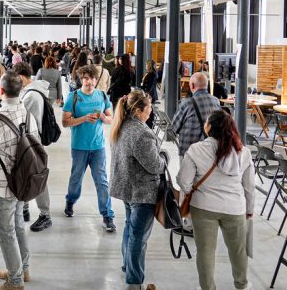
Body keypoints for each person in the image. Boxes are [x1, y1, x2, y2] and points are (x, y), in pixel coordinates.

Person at [177, 110, 255, 290]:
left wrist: (192, 192)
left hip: (203, 207)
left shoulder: (196, 150)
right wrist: (249, 210)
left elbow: (184, 181)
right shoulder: (243, 153)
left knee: (205, 252)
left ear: (209, 127)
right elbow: (250, 186)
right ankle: (242, 284)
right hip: (235, 208)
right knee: (238, 250)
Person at [0, 71, 38, 290]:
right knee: (18, 225)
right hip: (22, 183)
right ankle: (22, 269)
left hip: (1, 186)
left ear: (0, 91)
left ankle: (15, 281)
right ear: (20, 90)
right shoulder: (27, 114)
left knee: (6, 233)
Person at [109, 90, 166, 290]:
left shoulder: (121, 125)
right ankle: (134, 281)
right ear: (138, 110)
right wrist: (164, 158)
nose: (151, 111)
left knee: (130, 229)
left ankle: (128, 266)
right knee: (138, 237)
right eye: (149, 107)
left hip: (127, 188)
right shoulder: (141, 133)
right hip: (142, 192)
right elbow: (155, 166)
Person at [62, 65, 116, 232]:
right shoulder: (73, 97)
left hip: (98, 146)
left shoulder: (102, 95)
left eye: (92, 78)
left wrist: (103, 118)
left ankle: (107, 215)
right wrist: (84, 118)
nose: (90, 82)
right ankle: (70, 201)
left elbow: (111, 118)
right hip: (79, 146)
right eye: (86, 78)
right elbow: (65, 122)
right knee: (76, 179)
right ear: (81, 79)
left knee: (102, 181)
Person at [14, 62, 53, 232]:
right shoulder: (33, 91)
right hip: (31, 141)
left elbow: (21, 119)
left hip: (32, 142)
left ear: (21, 77)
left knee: (37, 177)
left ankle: (45, 215)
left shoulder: (31, 96)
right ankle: (24, 209)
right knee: (26, 175)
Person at [171, 72, 221, 160]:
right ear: (206, 85)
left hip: (189, 150)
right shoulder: (216, 101)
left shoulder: (187, 103)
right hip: (210, 150)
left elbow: (175, 127)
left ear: (192, 85)